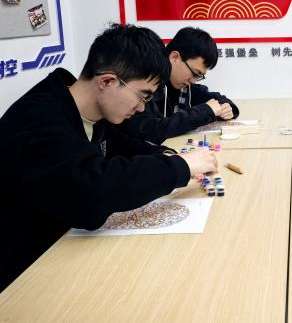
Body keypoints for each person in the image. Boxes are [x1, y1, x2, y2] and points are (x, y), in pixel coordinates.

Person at [0, 24, 218, 292]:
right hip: (23, 274)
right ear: (107, 81)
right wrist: (180, 167)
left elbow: (121, 144)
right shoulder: (38, 121)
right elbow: (93, 192)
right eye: (142, 96)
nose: (142, 108)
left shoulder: (91, 111)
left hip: (65, 250)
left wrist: (164, 154)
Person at [122, 27, 239, 144]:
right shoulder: (147, 83)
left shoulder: (182, 84)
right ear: (174, 57)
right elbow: (149, 129)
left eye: (198, 76)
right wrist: (204, 112)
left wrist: (226, 108)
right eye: (194, 73)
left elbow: (212, 97)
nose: (193, 81)